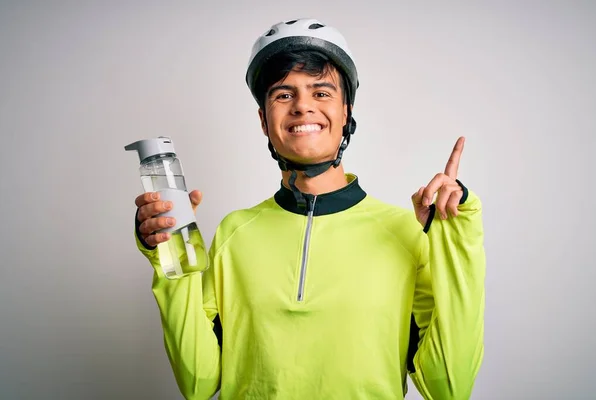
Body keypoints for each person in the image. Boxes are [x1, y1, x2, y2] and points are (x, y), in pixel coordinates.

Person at [132, 18, 485, 400]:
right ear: (264, 122)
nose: (302, 107)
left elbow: (449, 387)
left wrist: (455, 237)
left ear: (346, 112)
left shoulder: (404, 232)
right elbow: (198, 384)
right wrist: (171, 252)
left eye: (321, 93)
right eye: (283, 95)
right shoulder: (235, 233)